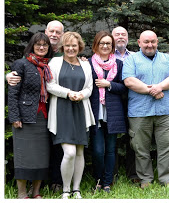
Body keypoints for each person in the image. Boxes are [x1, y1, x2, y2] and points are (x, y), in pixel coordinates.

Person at [6, 21, 66, 193]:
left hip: (44, 116)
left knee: (41, 154)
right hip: (25, 116)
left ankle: (36, 191)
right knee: (24, 154)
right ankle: (22, 192)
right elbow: (13, 93)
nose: (41, 47)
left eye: (44, 45)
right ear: (32, 46)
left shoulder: (47, 66)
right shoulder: (22, 64)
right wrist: (15, 117)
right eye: (38, 45)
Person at [122, 30, 169, 188]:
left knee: (167, 145)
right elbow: (129, 81)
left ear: (157, 42)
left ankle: (166, 179)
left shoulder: (166, 59)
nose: (150, 45)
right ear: (139, 43)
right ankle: (145, 179)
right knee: (140, 147)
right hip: (139, 112)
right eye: (146, 42)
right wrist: (152, 91)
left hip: (164, 111)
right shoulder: (131, 60)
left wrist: (159, 86)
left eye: (153, 41)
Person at [46, 32, 95, 199]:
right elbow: (50, 85)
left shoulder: (85, 64)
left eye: (74, 45)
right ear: (63, 47)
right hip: (62, 110)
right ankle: (66, 190)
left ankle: (76, 189)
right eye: (67, 45)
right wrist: (68, 93)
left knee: (80, 152)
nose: (71, 48)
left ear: (79, 47)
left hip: (80, 110)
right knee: (70, 153)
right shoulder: (55, 62)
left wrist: (81, 94)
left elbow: (90, 88)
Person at [88, 31, 127, 193]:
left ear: (112, 47)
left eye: (108, 44)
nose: (105, 46)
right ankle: (98, 180)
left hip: (113, 113)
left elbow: (125, 87)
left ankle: (107, 183)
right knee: (98, 151)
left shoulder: (119, 64)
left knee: (111, 150)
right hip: (95, 112)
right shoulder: (88, 63)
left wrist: (108, 84)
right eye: (102, 43)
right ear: (96, 45)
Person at [111, 26, 139, 184]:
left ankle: (134, 174)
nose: (120, 37)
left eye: (124, 34)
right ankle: (112, 175)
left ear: (128, 38)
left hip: (133, 100)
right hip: (113, 101)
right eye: (117, 34)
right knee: (112, 139)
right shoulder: (104, 57)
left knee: (133, 137)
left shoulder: (135, 56)